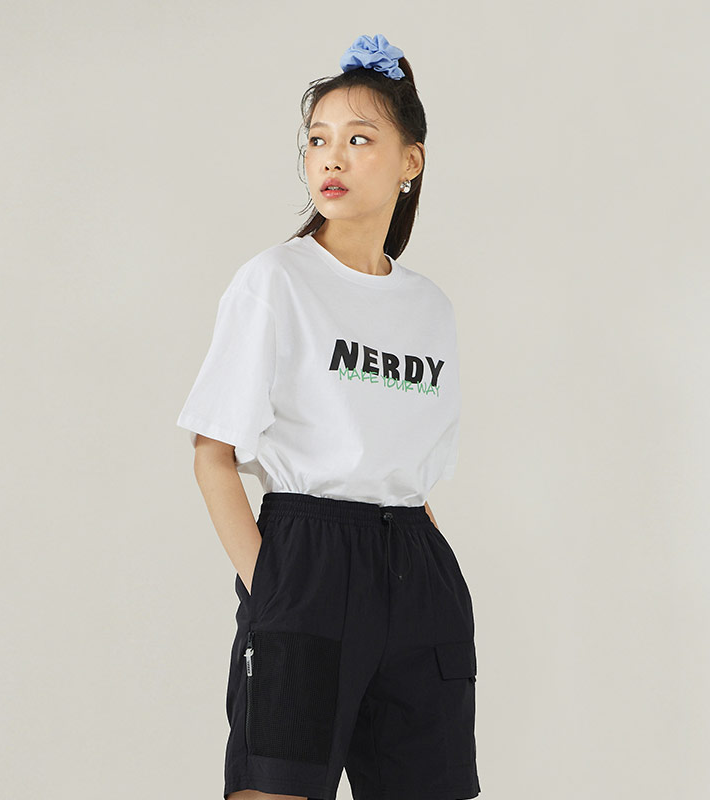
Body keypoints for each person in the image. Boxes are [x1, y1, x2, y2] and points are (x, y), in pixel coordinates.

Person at [177, 33, 480, 800]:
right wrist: (273, 589)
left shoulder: (430, 308)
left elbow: (408, 470)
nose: (331, 158)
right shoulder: (275, 281)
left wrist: (419, 573)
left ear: (411, 160)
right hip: (307, 559)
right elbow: (213, 452)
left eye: (358, 139)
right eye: (317, 140)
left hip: (415, 566)